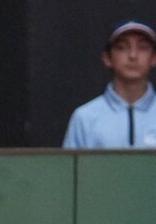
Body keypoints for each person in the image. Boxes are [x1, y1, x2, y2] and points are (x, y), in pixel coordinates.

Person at [63, 20, 156, 148]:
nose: (133, 55)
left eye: (142, 47)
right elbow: (71, 168)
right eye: (122, 47)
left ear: (154, 58)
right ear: (107, 58)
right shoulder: (85, 118)